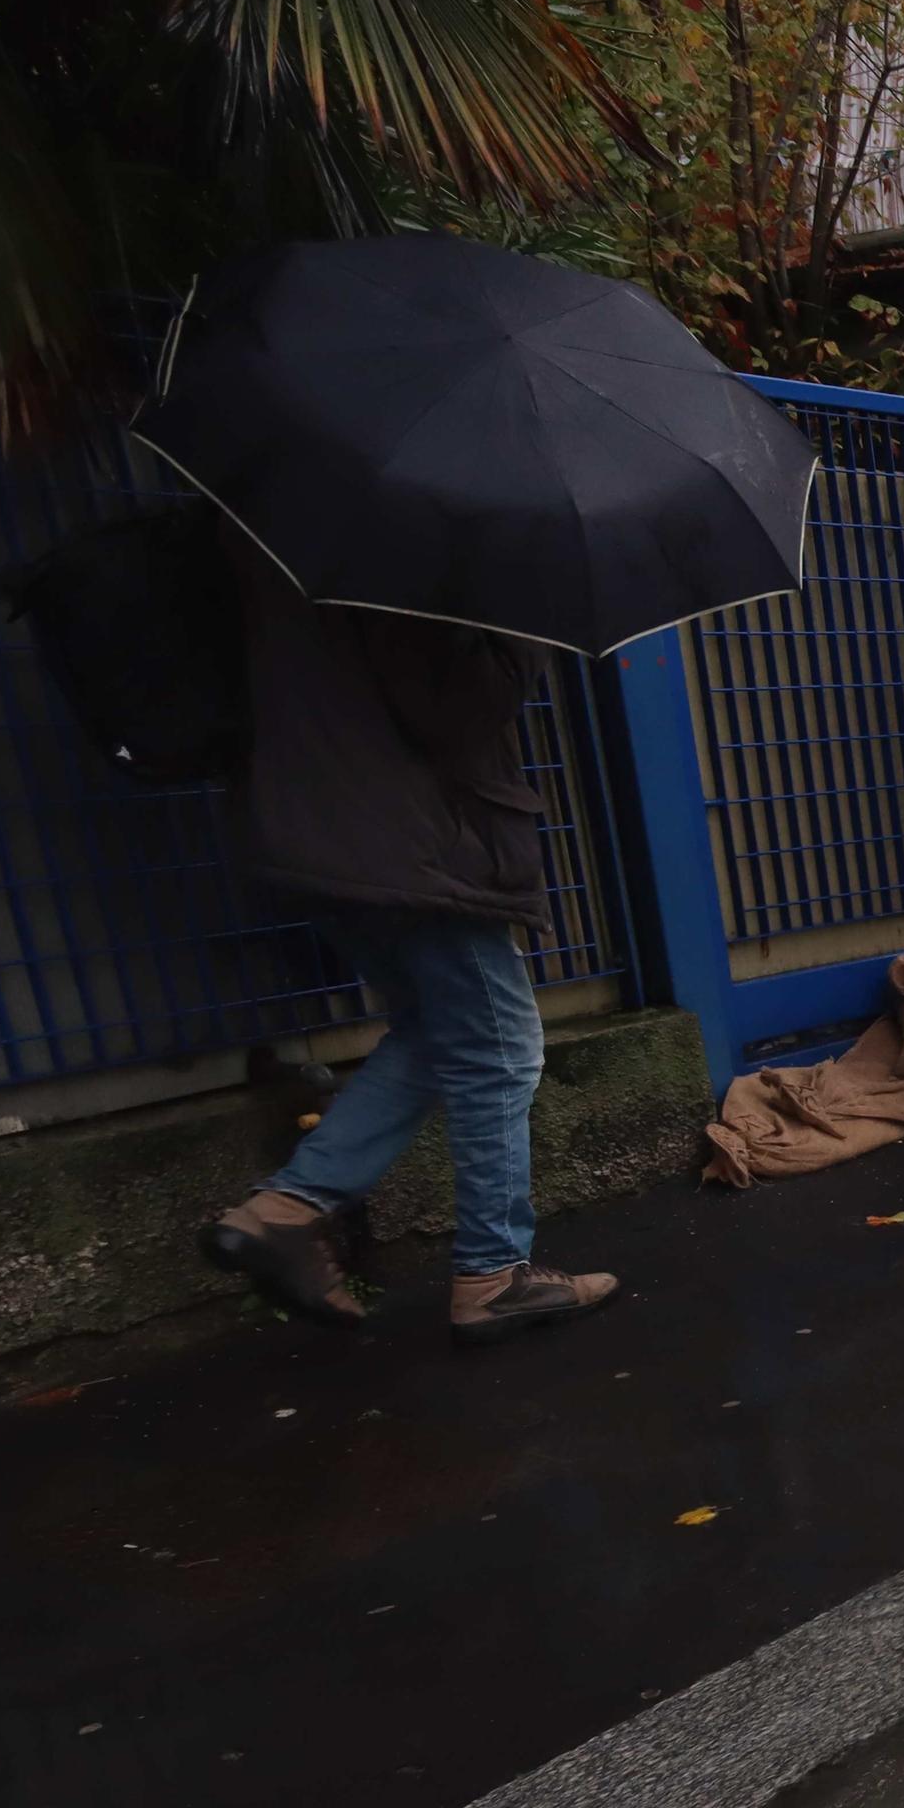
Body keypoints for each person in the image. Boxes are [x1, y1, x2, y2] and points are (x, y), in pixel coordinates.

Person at [196, 544, 618, 1342]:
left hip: (306, 829)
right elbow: (460, 707)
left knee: (438, 1032)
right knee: (500, 1049)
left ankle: (282, 1213)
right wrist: (523, 617)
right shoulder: (414, 545)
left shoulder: (279, 527)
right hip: (409, 839)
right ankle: (494, 1274)